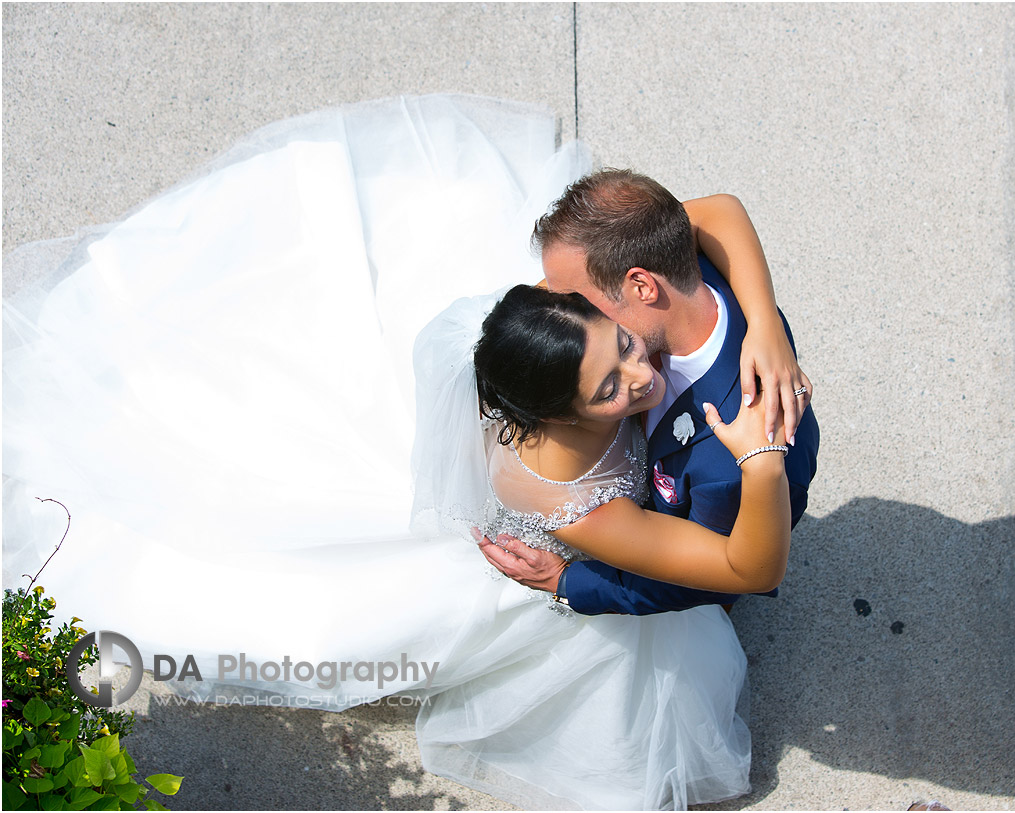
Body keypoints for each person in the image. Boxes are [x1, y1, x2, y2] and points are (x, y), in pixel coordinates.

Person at [2, 95, 810, 808]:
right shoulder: (567, 477)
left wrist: (765, 325)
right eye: (609, 381)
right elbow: (737, 566)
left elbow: (718, 212)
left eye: (583, 307)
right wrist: (577, 576)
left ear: (640, 285)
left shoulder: (685, 299)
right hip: (625, 523)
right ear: (555, 413)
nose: (640, 373)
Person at [480, 170, 820, 615]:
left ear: (642, 286)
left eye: (574, 297)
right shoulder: (665, 268)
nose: (554, 307)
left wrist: (570, 581)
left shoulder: (739, 461)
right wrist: (765, 320)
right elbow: (720, 209)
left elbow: (715, 576)